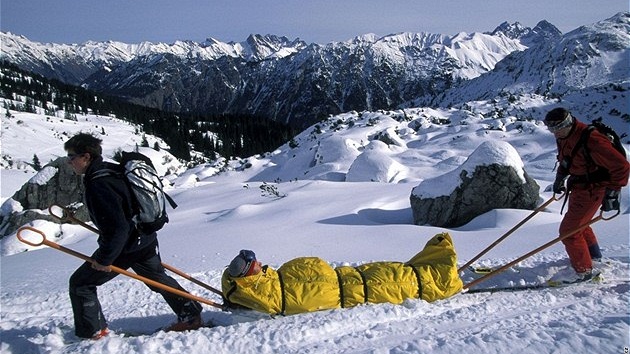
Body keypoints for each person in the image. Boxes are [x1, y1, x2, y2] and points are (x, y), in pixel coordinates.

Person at [64, 133, 203, 339]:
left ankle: (93, 333)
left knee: (81, 284)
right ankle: (191, 315)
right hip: (145, 238)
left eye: (72, 157)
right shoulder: (111, 170)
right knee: (158, 278)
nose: (69, 162)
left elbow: (118, 228)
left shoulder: (98, 183)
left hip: (126, 246)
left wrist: (104, 259)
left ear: (86, 157)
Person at [221, 233, 463, 316]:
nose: (259, 262)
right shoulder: (269, 293)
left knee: (397, 270)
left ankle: (435, 270)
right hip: (353, 288)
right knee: (401, 280)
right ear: (249, 276)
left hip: (349, 276)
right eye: (252, 263)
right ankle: (440, 278)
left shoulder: (267, 280)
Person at [544, 108, 629, 283]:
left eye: (556, 128)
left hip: (594, 189)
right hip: (578, 188)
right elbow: (567, 159)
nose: (554, 133)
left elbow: (622, 166)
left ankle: (583, 272)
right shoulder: (564, 136)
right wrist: (560, 177)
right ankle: (594, 259)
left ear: (567, 123)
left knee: (569, 231)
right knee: (580, 226)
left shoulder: (592, 140)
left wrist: (613, 192)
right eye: (550, 129)